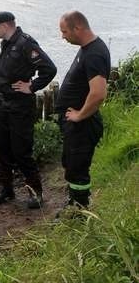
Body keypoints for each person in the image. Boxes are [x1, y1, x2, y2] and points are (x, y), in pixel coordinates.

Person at [0, 11, 57, 208]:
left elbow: (49, 69)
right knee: (2, 149)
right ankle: (6, 189)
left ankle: (36, 193)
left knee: (21, 151)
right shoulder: (7, 43)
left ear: (6, 25)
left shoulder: (26, 43)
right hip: (4, 104)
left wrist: (32, 86)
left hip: (20, 106)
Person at [56, 11, 110, 209]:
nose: (62, 36)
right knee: (71, 164)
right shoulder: (87, 48)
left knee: (78, 169)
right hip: (76, 125)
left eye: (64, 32)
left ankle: (80, 212)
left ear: (77, 28)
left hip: (84, 125)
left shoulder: (94, 53)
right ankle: (75, 202)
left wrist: (79, 115)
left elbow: (98, 93)